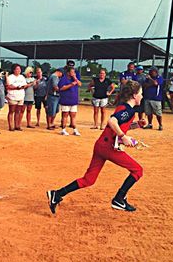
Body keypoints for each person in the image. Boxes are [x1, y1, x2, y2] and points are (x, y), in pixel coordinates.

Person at [46, 80, 146, 214]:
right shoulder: (128, 110)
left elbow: (121, 123)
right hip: (108, 148)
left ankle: (57, 194)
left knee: (89, 179)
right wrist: (123, 136)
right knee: (138, 170)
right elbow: (112, 121)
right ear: (134, 95)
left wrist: (137, 125)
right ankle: (119, 199)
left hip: (101, 145)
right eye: (140, 94)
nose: (142, 96)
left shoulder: (125, 109)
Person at [58, 67, 82, 136]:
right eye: (72, 72)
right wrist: (71, 84)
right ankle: (63, 130)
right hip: (65, 100)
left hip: (73, 100)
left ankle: (75, 130)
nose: (73, 73)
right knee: (65, 115)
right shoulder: (64, 79)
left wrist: (75, 78)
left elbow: (80, 84)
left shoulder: (75, 79)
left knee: (73, 115)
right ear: (68, 73)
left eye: (74, 72)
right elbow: (61, 88)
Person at [6, 64, 27, 131]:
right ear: (14, 70)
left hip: (20, 96)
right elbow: (8, 86)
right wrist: (16, 87)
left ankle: (17, 125)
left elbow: (25, 85)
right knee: (11, 111)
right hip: (13, 96)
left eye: (19, 69)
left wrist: (23, 86)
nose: (19, 70)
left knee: (18, 111)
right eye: (17, 69)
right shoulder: (10, 77)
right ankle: (10, 126)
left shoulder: (22, 77)